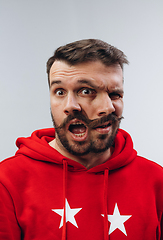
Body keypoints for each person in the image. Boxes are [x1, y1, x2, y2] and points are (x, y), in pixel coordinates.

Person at [0, 39, 163, 240]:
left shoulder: (157, 181)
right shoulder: (6, 182)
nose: (69, 106)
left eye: (85, 91)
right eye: (59, 91)